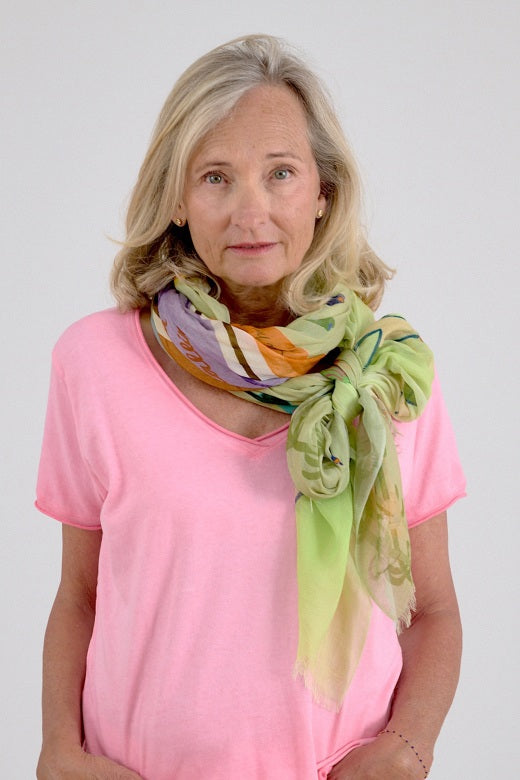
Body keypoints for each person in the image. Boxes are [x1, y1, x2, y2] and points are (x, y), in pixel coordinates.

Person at [35, 35, 465, 780]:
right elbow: (79, 593)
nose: (251, 211)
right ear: (176, 195)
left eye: (281, 174)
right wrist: (58, 755)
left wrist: (408, 749)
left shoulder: (387, 375)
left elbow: (434, 612)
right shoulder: (92, 362)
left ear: (323, 190)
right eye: (216, 178)